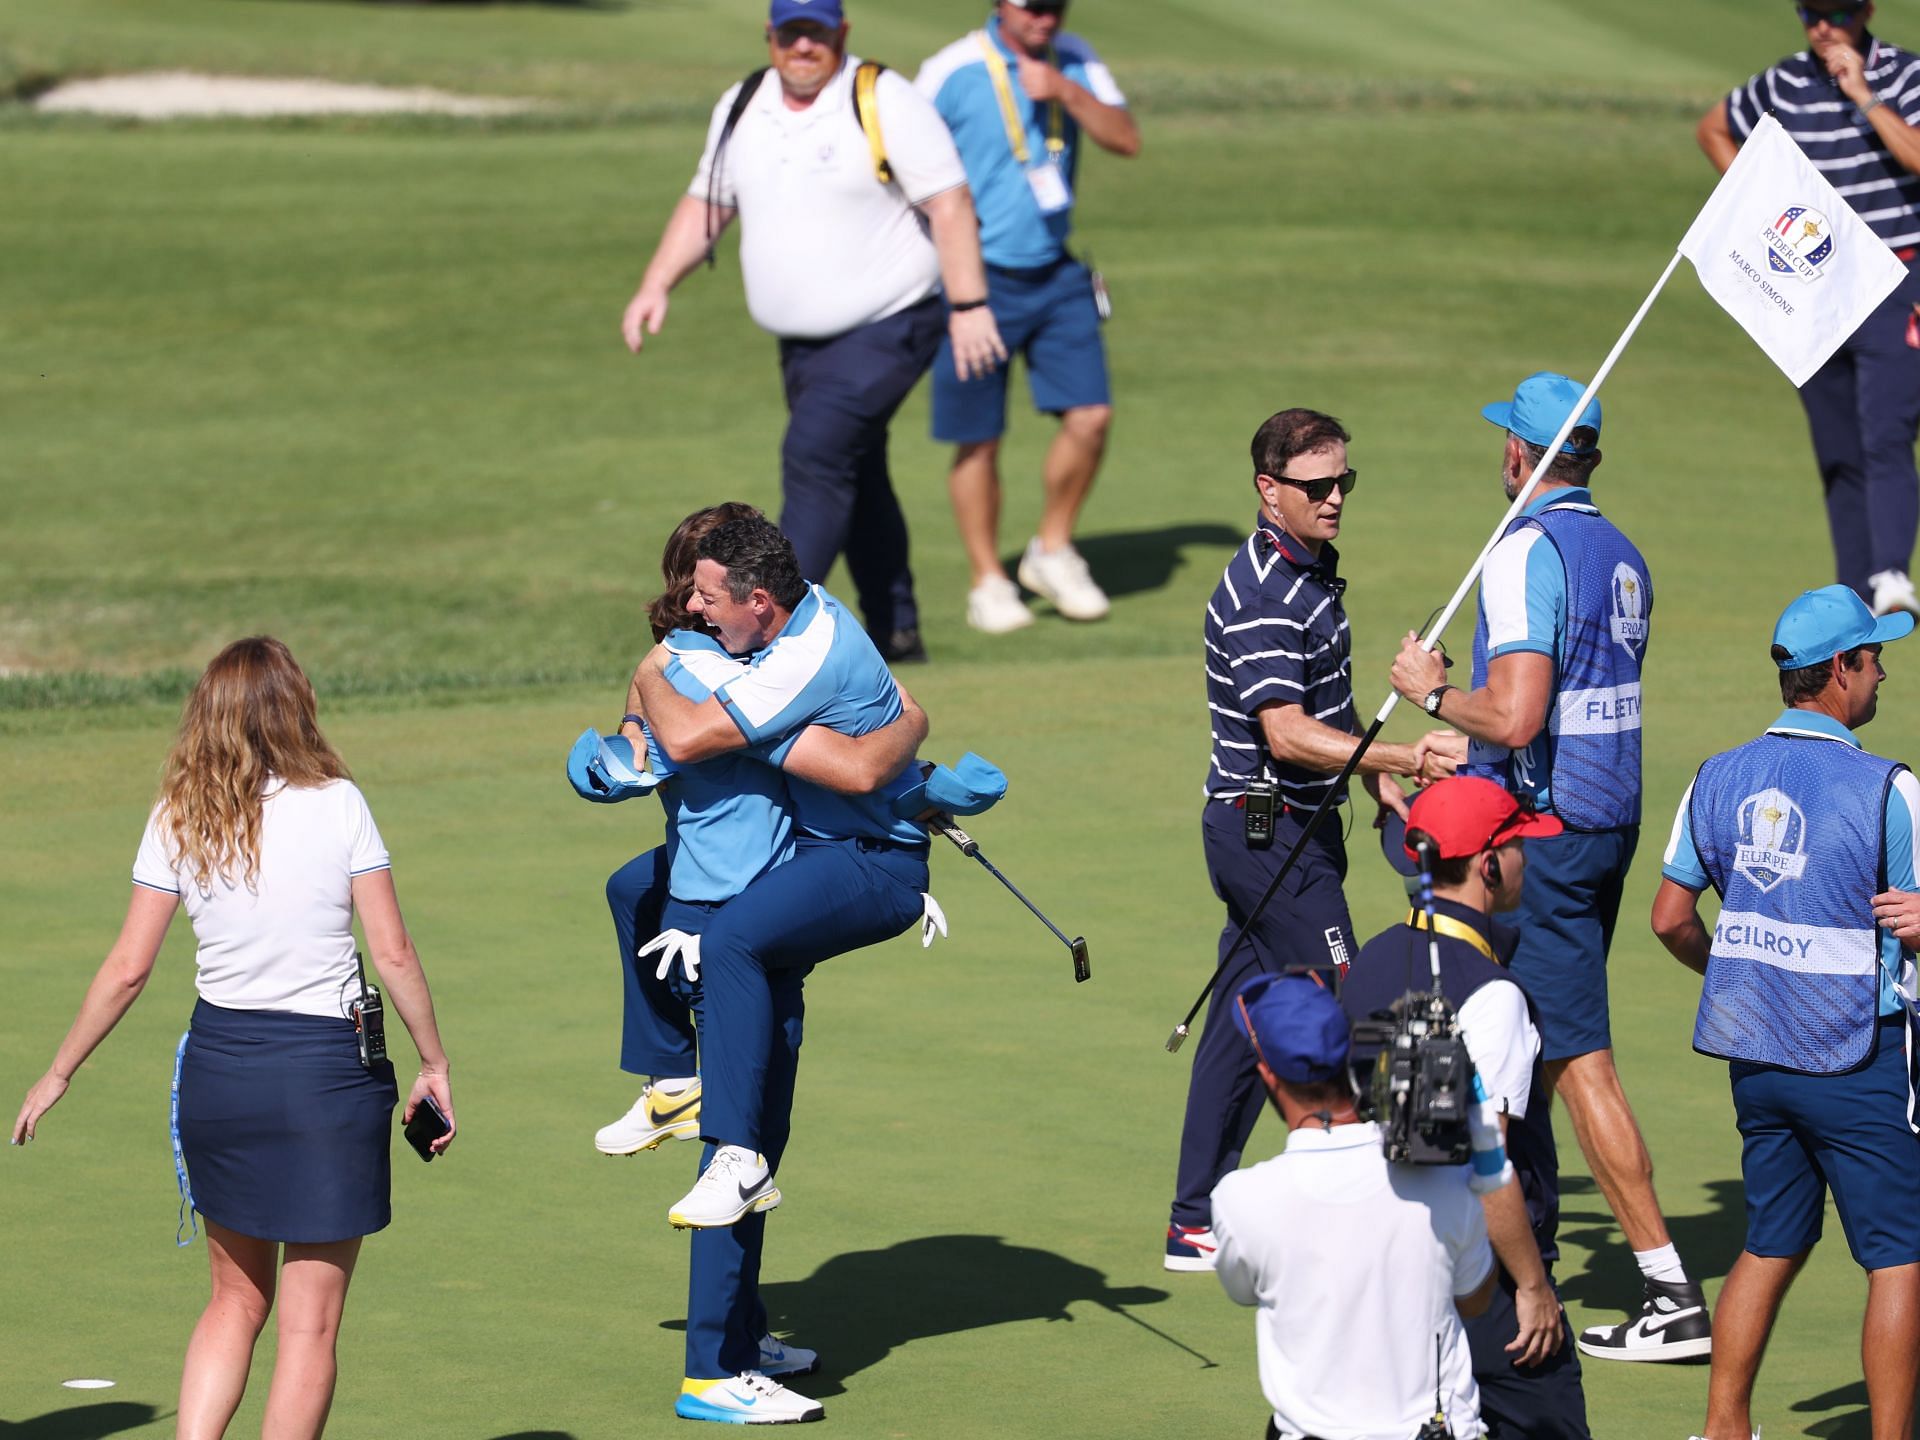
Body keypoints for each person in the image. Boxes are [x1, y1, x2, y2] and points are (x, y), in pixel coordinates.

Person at [11, 636, 454, 1440]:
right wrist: (433, 1061)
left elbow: (126, 969)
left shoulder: (177, 813)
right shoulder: (339, 801)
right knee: (309, 1325)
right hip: (326, 1078)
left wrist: (59, 1071)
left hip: (221, 1073)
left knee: (233, 1299)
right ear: (296, 708)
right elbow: (392, 952)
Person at [1389, 373, 1707, 1362]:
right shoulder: (1620, 551)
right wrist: (1461, 755)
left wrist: (1434, 698)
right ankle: (1519, 1234)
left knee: (1566, 1052)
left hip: (1549, 840)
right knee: (1527, 1032)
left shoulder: (1523, 550)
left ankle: (1667, 1290)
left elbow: (1520, 712)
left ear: (1522, 457)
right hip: (1603, 821)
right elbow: (1562, 712)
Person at [620, 0, 1007, 664]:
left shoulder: (885, 97)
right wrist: (657, 283)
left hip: (891, 324)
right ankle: (897, 628)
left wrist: (970, 305)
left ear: (842, 35)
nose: (804, 46)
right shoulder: (744, 102)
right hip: (802, 348)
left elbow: (949, 202)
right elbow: (709, 201)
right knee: (860, 470)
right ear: (771, 35)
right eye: (792, 33)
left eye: (818, 34)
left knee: (816, 458)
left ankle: (761, 636)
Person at [1165, 407, 1448, 1273]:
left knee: (1238, 1018)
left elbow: (1327, 712)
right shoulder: (1261, 595)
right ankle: (1409, 1196)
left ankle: (1192, 1219)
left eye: (1343, 484)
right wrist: (1407, 749)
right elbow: (1284, 734)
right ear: (1268, 490)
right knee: (1348, 995)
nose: (1334, 500)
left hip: (1297, 827)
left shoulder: (1311, 572)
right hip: (1263, 829)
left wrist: (1380, 779)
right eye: (1316, 487)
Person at [1652, 584, 1920, 1440]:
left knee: (1770, 1243)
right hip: (1860, 1064)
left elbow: (1668, 917)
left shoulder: (1716, 775)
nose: (1883, 677)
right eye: (1874, 660)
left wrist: (1739, 977)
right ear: (1840, 671)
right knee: (1899, 1258)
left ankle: (1724, 1428)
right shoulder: (1890, 789)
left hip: (1759, 1061)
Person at [631, 516, 932, 1226]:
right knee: (633, 887)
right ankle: (674, 1082)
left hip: (871, 862)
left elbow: (681, 732)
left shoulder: (799, 661)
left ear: (759, 600)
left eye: (707, 597)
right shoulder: (798, 613)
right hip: (806, 847)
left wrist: (651, 667)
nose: (695, 608)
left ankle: (739, 1157)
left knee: (731, 938)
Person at [1342, 777, 1597, 1438]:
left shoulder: (1371, 960)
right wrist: (1533, 1287)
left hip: (1386, 1272)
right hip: (1484, 1288)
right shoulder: (1493, 996)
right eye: (1515, 846)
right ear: (1487, 865)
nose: (1525, 859)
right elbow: (1486, 1166)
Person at [914, 0, 1141, 634]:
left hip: (1057, 271)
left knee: (1091, 416)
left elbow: (1126, 139)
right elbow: (898, 166)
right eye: (1033, 6)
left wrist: (1064, 89)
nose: (1046, 17)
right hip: (974, 281)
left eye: (1056, 6)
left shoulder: (1076, 58)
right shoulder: (951, 70)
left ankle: (1052, 549)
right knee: (979, 437)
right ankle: (989, 579)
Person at [1697, 0, 1920, 618]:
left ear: (1866, 11)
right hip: (1815, 287)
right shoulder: (1786, 81)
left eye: (1838, 12)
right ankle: (1855, 595)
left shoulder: (1904, 75)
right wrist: (1760, 205)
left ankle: (1893, 572)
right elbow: (1713, 128)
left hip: (1896, 279)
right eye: (1811, 12)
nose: (1823, 27)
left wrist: (1865, 96)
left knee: (1887, 434)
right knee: (1838, 449)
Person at [1211, 974, 1496, 1440]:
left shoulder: (1239, 1199)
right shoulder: (1446, 1177)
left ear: (1267, 1075)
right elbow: (1477, 1296)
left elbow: (1244, 1290)